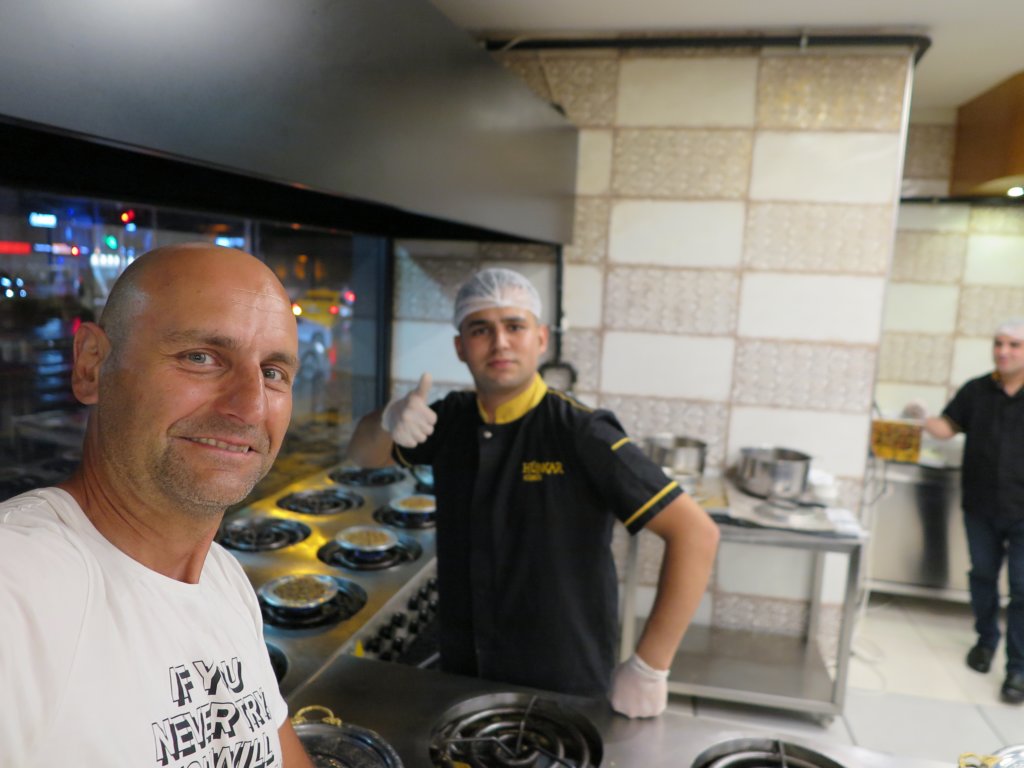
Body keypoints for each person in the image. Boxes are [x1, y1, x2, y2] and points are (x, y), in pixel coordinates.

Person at [347, 267, 720, 717]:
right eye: (481, 330)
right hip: (464, 671)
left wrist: (650, 666)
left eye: (514, 326)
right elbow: (364, 455)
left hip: (562, 679)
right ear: (460, 347)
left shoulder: (581, 432)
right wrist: (387, 418)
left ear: (541, 339)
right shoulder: (450, 419)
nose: (500, 343)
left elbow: (696, 533)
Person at [0, 244, 315, 766]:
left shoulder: (223, 578)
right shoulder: (18, 588)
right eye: (201, 357)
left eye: (273, 372)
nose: (250, 406)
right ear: (92, 365)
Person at [909, 318, 1024, 704]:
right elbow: (948, 426)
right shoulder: (977, 390)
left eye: (1014, 345)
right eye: (999, 343)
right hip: (981, 504)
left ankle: (1018, 668)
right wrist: (921, 417)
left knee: (1023, 589)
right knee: (983, 576)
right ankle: (985, 641)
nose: (1003, 351)